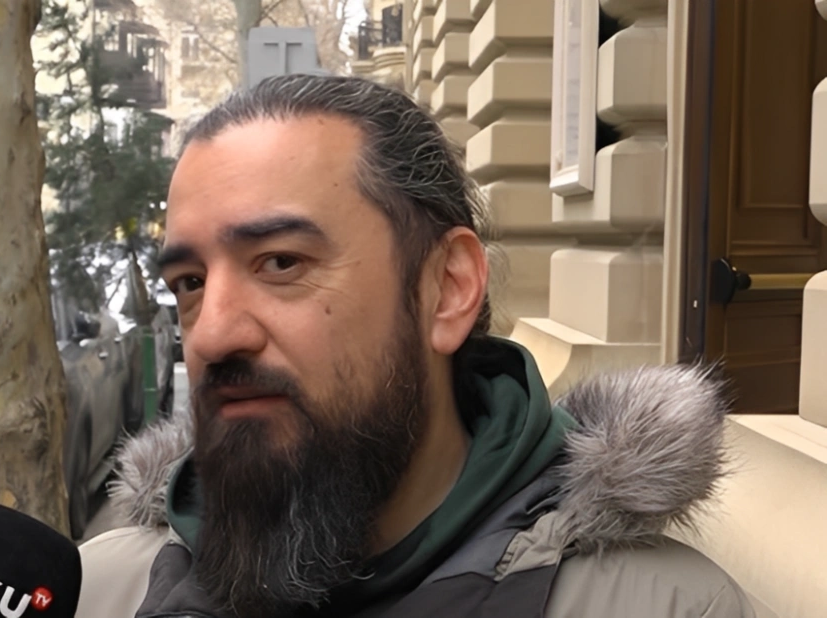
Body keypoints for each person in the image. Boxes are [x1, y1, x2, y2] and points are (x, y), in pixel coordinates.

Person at [75, 75, 754, 618]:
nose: (213, 333)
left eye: (281, 263)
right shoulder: (97, 593)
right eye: (190, 283)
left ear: (447, 288)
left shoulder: (665, 607)